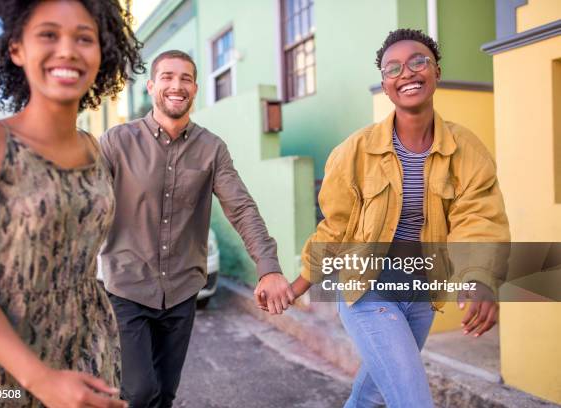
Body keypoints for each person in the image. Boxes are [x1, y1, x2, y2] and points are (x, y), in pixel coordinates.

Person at [287, 29, 510, 408]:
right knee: (414, 400)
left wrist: (480, 278)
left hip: (421, 295)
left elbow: (479, 216)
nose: (407, 73)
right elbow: (335, 227)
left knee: (371, 395)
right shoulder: (353, 152)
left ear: (436, 71)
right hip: (366, 290)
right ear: (386, 86)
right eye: (393, 68)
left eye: (418, 61)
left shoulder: (466, 148)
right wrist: (298, 285)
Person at [0, 1, 143, 406]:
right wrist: (40, 379)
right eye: (48, 35)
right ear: (17, 48)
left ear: (102, 53)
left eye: (84, 38)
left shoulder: (94, 149)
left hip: (88, 351)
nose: (68, 50)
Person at [98, 49, 294, 407]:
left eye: (185, 78)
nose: (177, 85)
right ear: (152, 85)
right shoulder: (117, 142)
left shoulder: (212, 149)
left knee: (165, 394)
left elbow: (241, 207)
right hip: (126, 288)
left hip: (181, 291)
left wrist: (268, 267)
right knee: (140, 392)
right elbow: (88, 206)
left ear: (195, 88)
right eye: (168, 77)